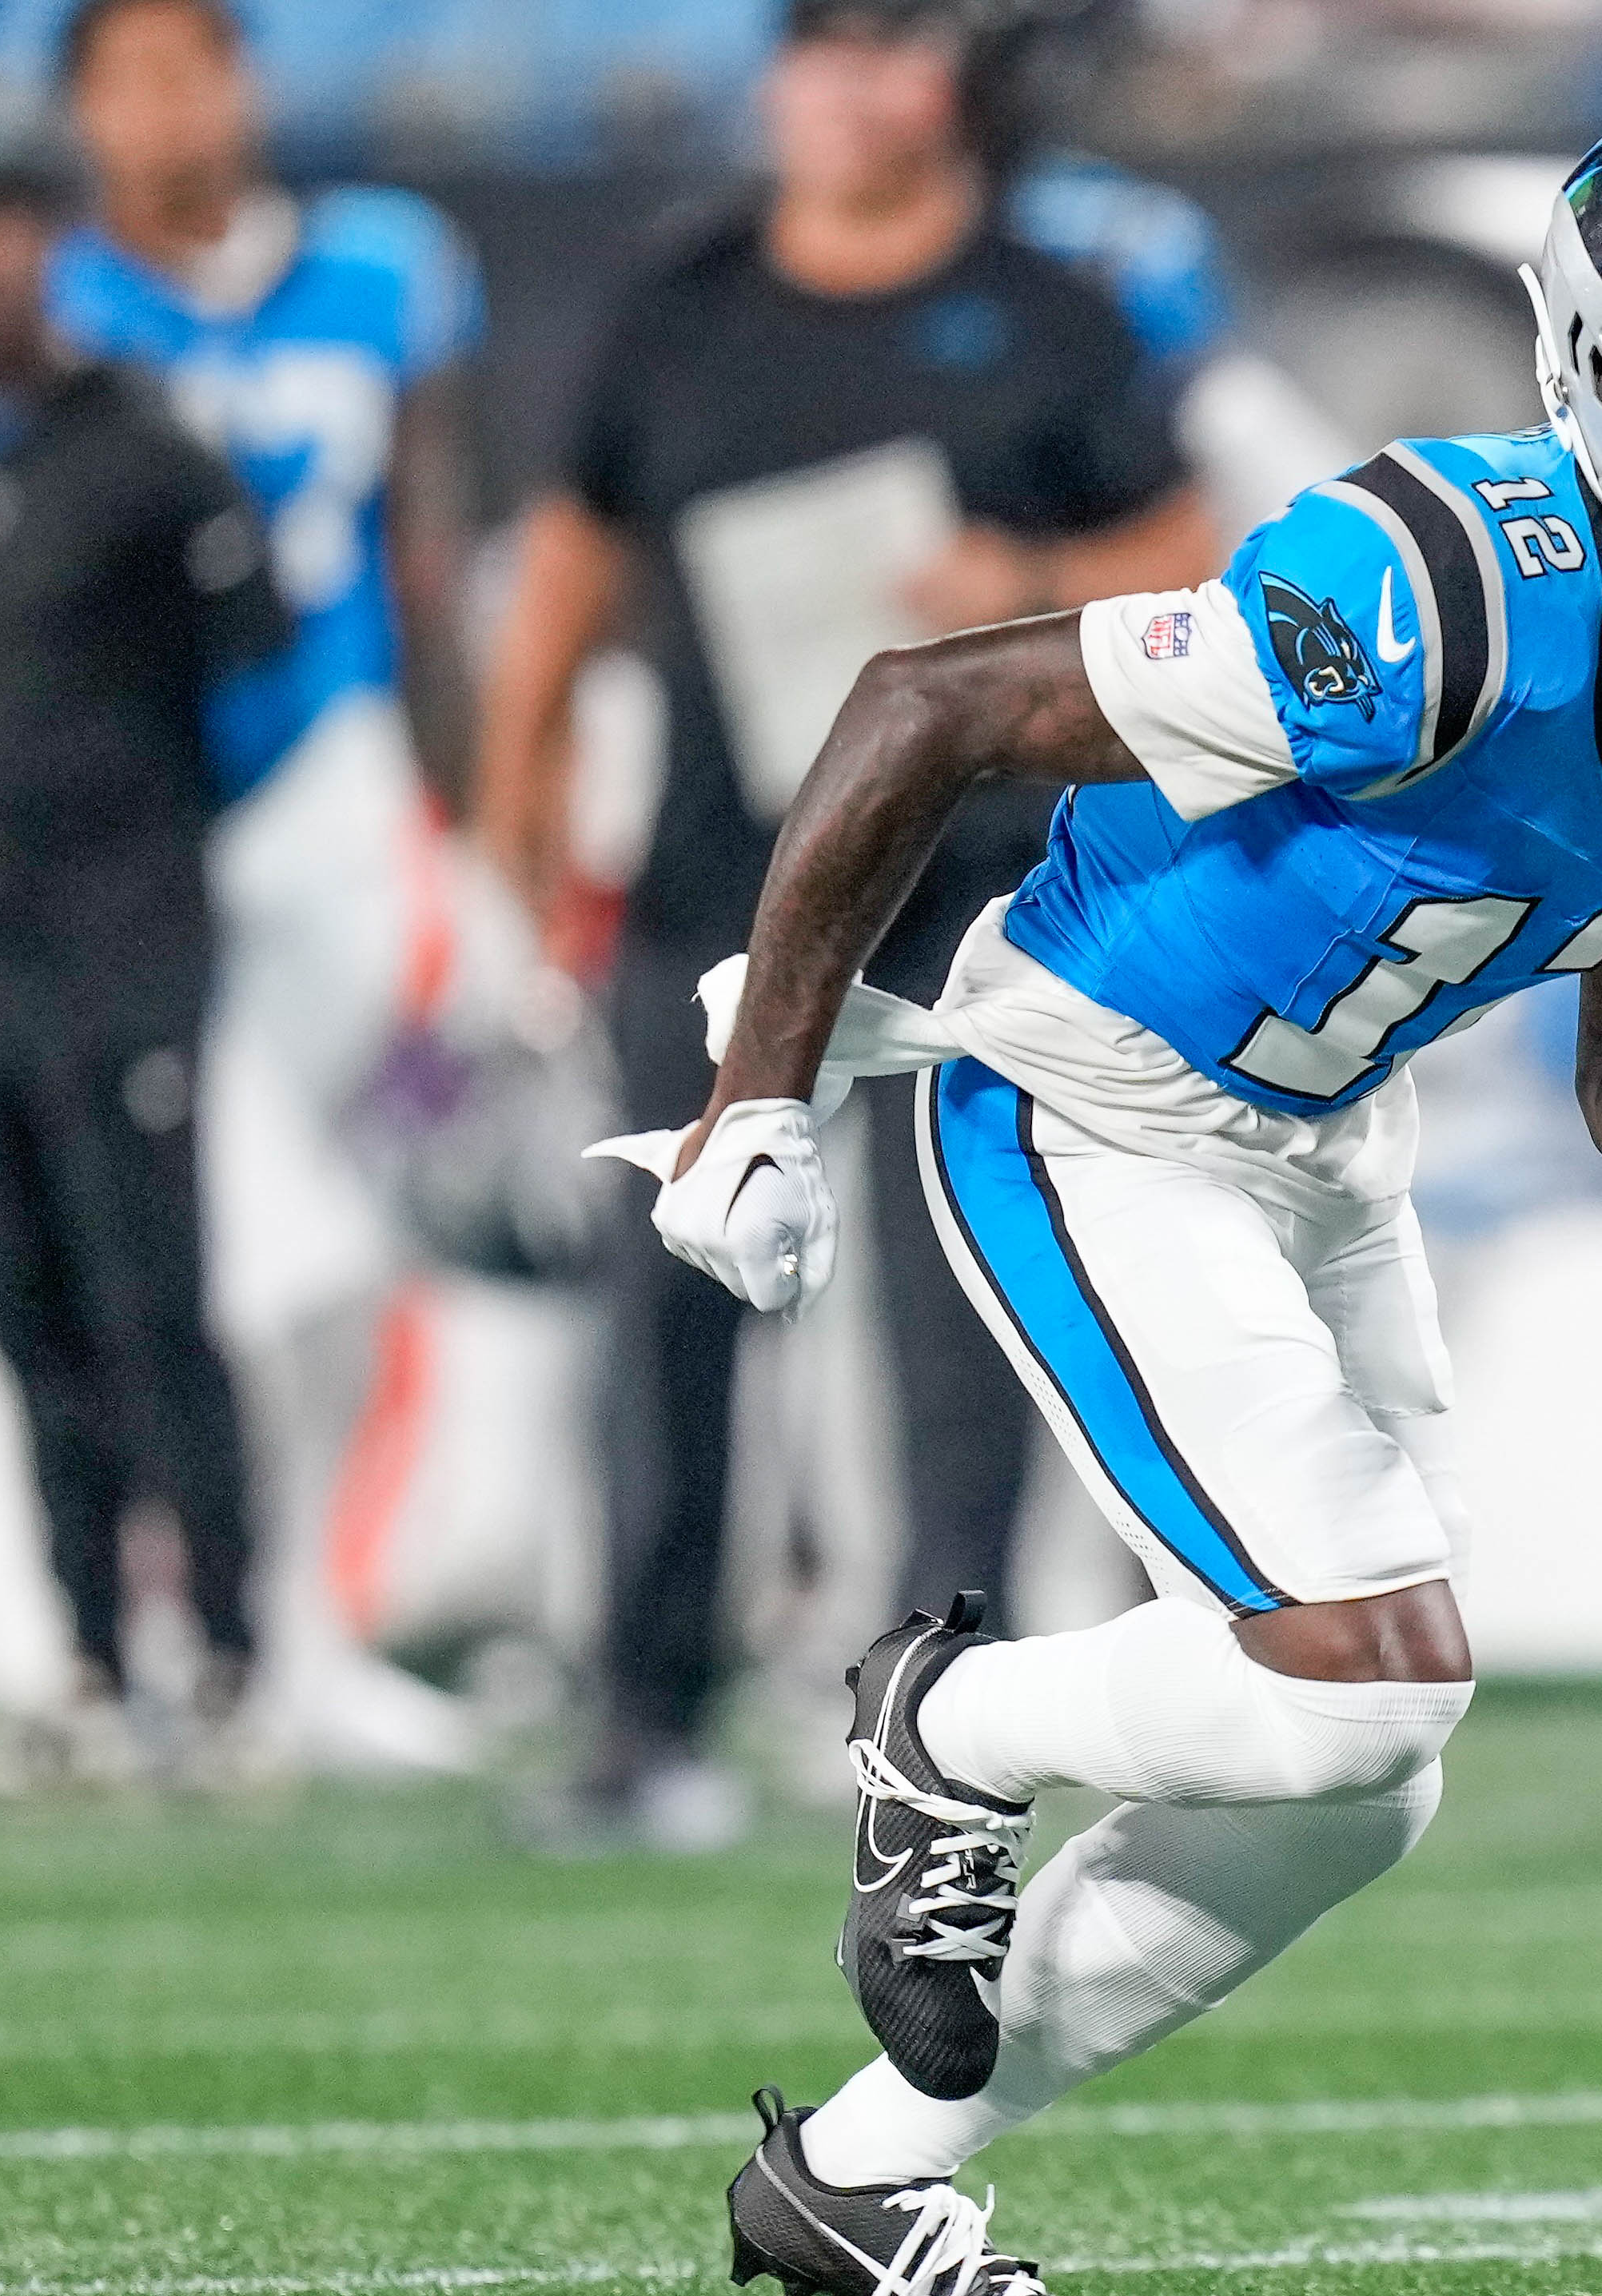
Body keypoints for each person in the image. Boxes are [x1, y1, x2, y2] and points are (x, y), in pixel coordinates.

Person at [636, 80, 1602, 2296]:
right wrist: (754, 1095)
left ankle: (859, 2171)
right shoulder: (1437, 582)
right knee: (1365, 1671)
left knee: (1361, 1781)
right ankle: (948, 1721)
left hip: (1314, 1143)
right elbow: (925, 703)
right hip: (1085, 1099)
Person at [476, 0, 1221, 1852]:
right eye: (826, 40)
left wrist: (1030, 583)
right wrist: (521, 815)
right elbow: (564, 572)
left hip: (988, 894)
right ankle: (645, 1714)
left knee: (965, 1315)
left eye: (897, 42)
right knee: (671, 1310)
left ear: (953, 83)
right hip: (725, 888)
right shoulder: (686, 302)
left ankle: (938, 1711)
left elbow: (1205, 566)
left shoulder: (1051, 305)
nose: (857, 81)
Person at [51, 0, 482, 1759]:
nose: (171, 109)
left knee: (356, 1224)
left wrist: (474, 832)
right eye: (130, 76)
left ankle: (302, 1620)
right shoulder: (49, 302)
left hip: (341, 790)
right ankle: (201, 1615)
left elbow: (428, 555)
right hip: (131, 823)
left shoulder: (384, 269)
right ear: (78, 111)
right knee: (237, 1237)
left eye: (198, 65)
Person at [0, 160, 287, 1777]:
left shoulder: (142, 448)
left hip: (124, 931)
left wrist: (150, 842)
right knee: (24, 1297)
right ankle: (82, 1651)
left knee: (148, 1291)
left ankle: (231, 1654)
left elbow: (254, 675)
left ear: (47, 250)